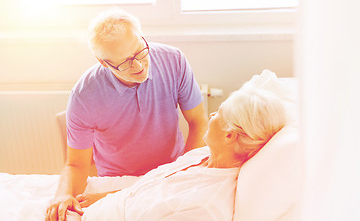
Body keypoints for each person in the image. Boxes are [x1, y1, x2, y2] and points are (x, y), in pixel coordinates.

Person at [46, 8, 208, 221]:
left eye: (140, 51)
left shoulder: (174, 61)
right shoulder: (84, 95)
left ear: (142, 37)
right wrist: (63, 195)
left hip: (170, 171)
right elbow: (76, 164)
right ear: (103, 62)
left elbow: (198, 122)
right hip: (117, 180)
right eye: (125, 62)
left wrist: (184, 170)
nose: (139, 65)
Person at [64, 84, 287, 221]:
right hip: (102, 207)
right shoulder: (200, 156)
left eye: (219, 113)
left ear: (230, 135)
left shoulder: (205, 207)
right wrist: (105, 197)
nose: (211, 117)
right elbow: (153, 187)